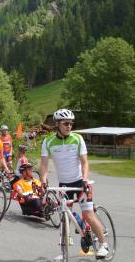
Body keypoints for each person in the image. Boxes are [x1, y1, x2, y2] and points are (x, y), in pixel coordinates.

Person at [40, 109, 109, 259]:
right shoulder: (48, 141)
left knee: (88, 215)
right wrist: (43, 181)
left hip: (80, 182)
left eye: (71, 123)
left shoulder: (77, 139)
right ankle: (63, 253)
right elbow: (44, 165)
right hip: (64, 185)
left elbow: (84, 162)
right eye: (66, 123)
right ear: (57, 124)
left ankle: (104, 245)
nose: (69, 126)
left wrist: (84, 179)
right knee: (64, 219)